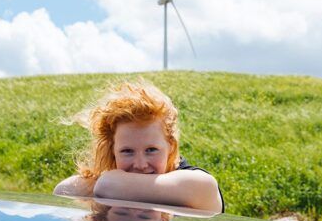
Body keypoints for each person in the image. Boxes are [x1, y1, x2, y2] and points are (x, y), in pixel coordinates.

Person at [53, 80, 224, 213]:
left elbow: (108, 185)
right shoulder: (112, 182)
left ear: (171, 146)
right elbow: (63, 190)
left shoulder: (201, 184)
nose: (140, 164)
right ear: (112, 151)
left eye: (151, 150)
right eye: (127, 151)